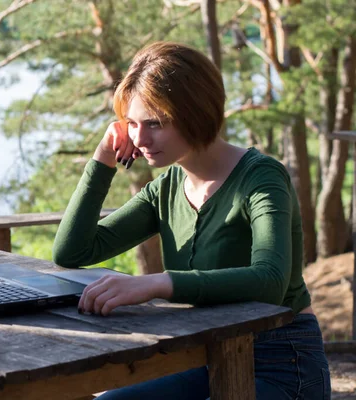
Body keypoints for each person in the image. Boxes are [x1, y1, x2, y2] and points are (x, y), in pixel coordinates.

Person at [52, 41, 331, 400]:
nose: (139, 138)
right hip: (205, 357)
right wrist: (104, 156)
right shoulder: (166, 188)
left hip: (281, 362)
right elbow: (72, 251)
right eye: (132, 124)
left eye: (155, 123)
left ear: (196, 112)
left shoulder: (261, 178)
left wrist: (157, 284)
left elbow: (271, 281)